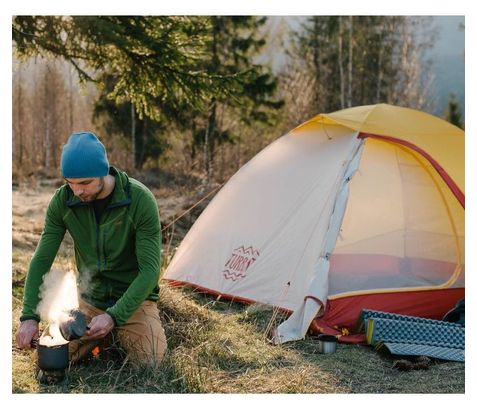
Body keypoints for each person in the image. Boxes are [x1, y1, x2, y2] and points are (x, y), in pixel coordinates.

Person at [15, 131, 167, 368]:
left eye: (85, 183)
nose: (77, 191)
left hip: (135, 300)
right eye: (70, 182)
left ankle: (120, 333)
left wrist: (114, 316)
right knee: (48, 359)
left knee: (151, 365)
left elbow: (150, 271)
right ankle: (104, 340)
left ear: (103, 172)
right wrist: (29, 317)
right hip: (89, 303)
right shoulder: (62, 202)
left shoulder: (139, 200)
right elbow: (41, 260)